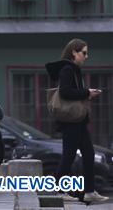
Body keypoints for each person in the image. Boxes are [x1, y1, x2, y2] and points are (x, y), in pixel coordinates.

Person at [46, 39, 108, 204]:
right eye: (84, 53)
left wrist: (86, 92)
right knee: (69, 156)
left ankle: (89, 191)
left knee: (88, 153)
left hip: (78, 121)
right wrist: (87, 93)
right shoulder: (67, 69)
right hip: (71, 121)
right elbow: (66, 92)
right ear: (74, 52)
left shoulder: (73, 70)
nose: (86, 56)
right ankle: (58, 190)